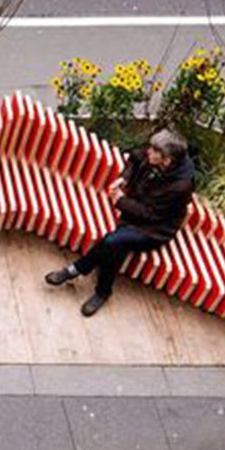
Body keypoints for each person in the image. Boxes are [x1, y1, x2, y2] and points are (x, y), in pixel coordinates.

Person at [44, 129, 195, 316]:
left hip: (154, 228)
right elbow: (134, 158)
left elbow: (152, 215)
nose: (148, 151)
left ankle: (76, 270)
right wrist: (124, 178)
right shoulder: (157, 154)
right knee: (116, 246)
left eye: (154, 151)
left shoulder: (181, 186)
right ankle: (102, 292)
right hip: (135, 209)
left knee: (112, 241)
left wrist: (120, 201)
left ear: (167, 159)